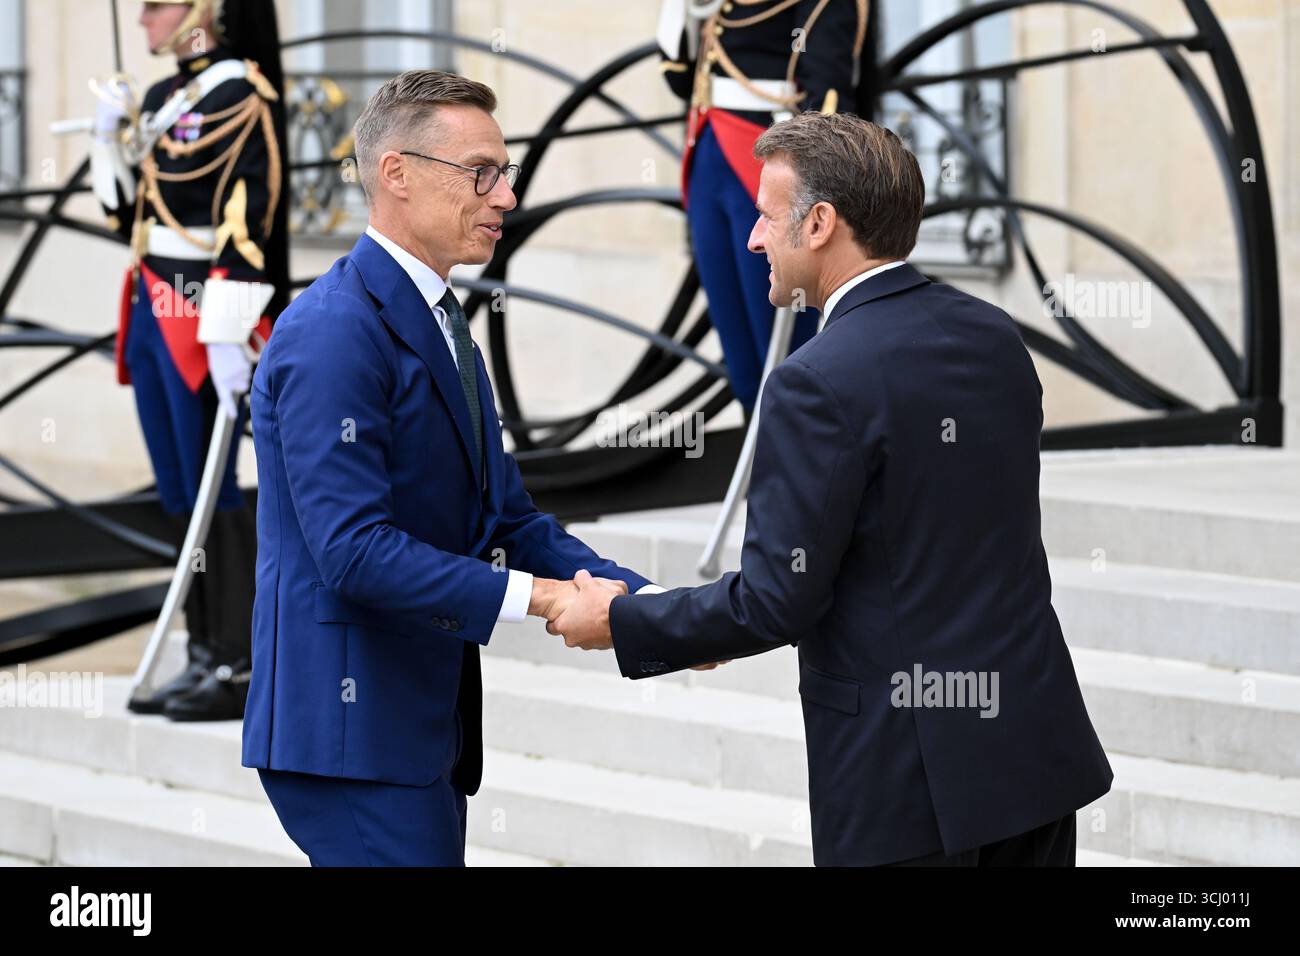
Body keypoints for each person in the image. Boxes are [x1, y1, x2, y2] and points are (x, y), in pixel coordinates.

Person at [548, 112, 1115, 867]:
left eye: (763, 215)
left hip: (908, 783)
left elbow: (777, 598)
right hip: (1035, 757)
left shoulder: (814, 382)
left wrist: (625, 620)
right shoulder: (992, 335)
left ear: (818, 224)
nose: (752, 239)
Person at [240, 71, 669, 867]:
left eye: (504, 174)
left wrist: (648, 609)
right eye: (482, 173)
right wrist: (543, 598)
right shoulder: (334, 330)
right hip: (350, 737)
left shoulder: (439, 317)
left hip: (410, 730)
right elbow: (353, 551)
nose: (506, 196)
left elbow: (505, 520)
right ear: (395, 173)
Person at [91, 0, 288, 721]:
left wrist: (231, 326)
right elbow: (128, 217)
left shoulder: (241, 94)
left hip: (200, 312)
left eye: (157, 6)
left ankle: (236, 662)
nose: (144, 20)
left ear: (200, 11)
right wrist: (107, 143)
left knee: (217, 490)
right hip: (149, 302)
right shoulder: (159, 98)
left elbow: (252, 216)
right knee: (177, 487)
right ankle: (202, 648)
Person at [657, 0, 868, 414]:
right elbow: (680, 80)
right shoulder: (723, 6)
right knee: (741, 359)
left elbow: (829, 105)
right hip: (709, 165)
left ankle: (798, 463)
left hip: (766, 173)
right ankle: (761, 466)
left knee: (783, 351)